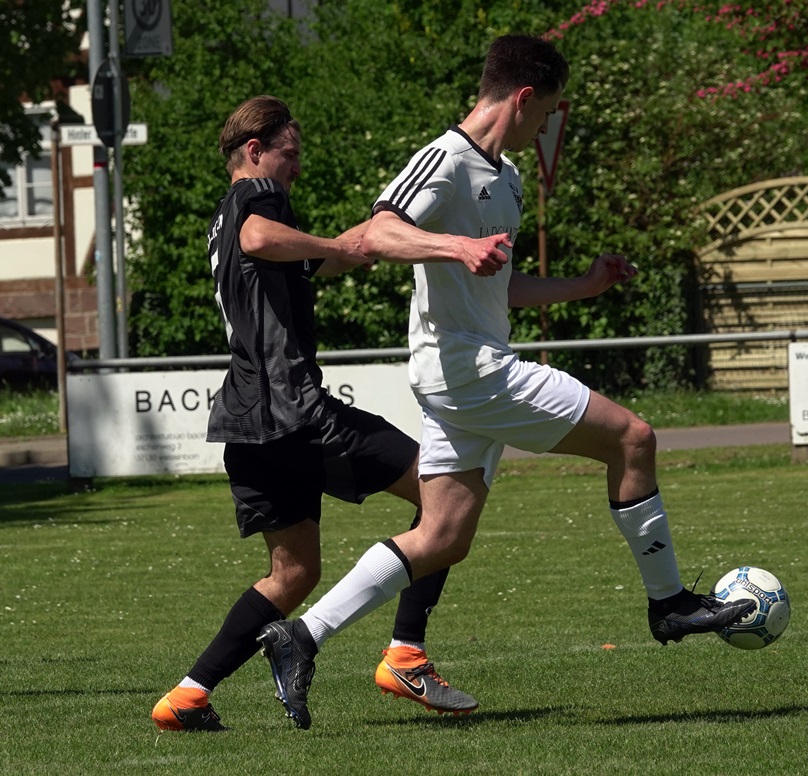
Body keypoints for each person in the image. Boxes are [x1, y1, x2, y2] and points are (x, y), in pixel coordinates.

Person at [256, 35, 755, 730]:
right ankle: (668, 603)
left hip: (467, 370)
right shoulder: (444, 159)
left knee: (442, 536)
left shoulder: (508, 177)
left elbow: (500, 285)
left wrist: (582, 286)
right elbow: (378, 234)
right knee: (633, 438)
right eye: (545, 113)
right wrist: (455, 245)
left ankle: (302, 636)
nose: (544, 127)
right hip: (469, 369)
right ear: (522, 99)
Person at [151, 95, 476, 733]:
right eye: (290, 153)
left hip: (248, 424)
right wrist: (336, 242)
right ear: (255, 151)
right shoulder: (258, 198)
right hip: (295, 412)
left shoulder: (223, 220)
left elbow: (321, 254)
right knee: (445, 494)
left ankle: (186, 697)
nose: (297, 167)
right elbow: (262, 236)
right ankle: (406, 654)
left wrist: (383, 237)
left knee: (294, 573)